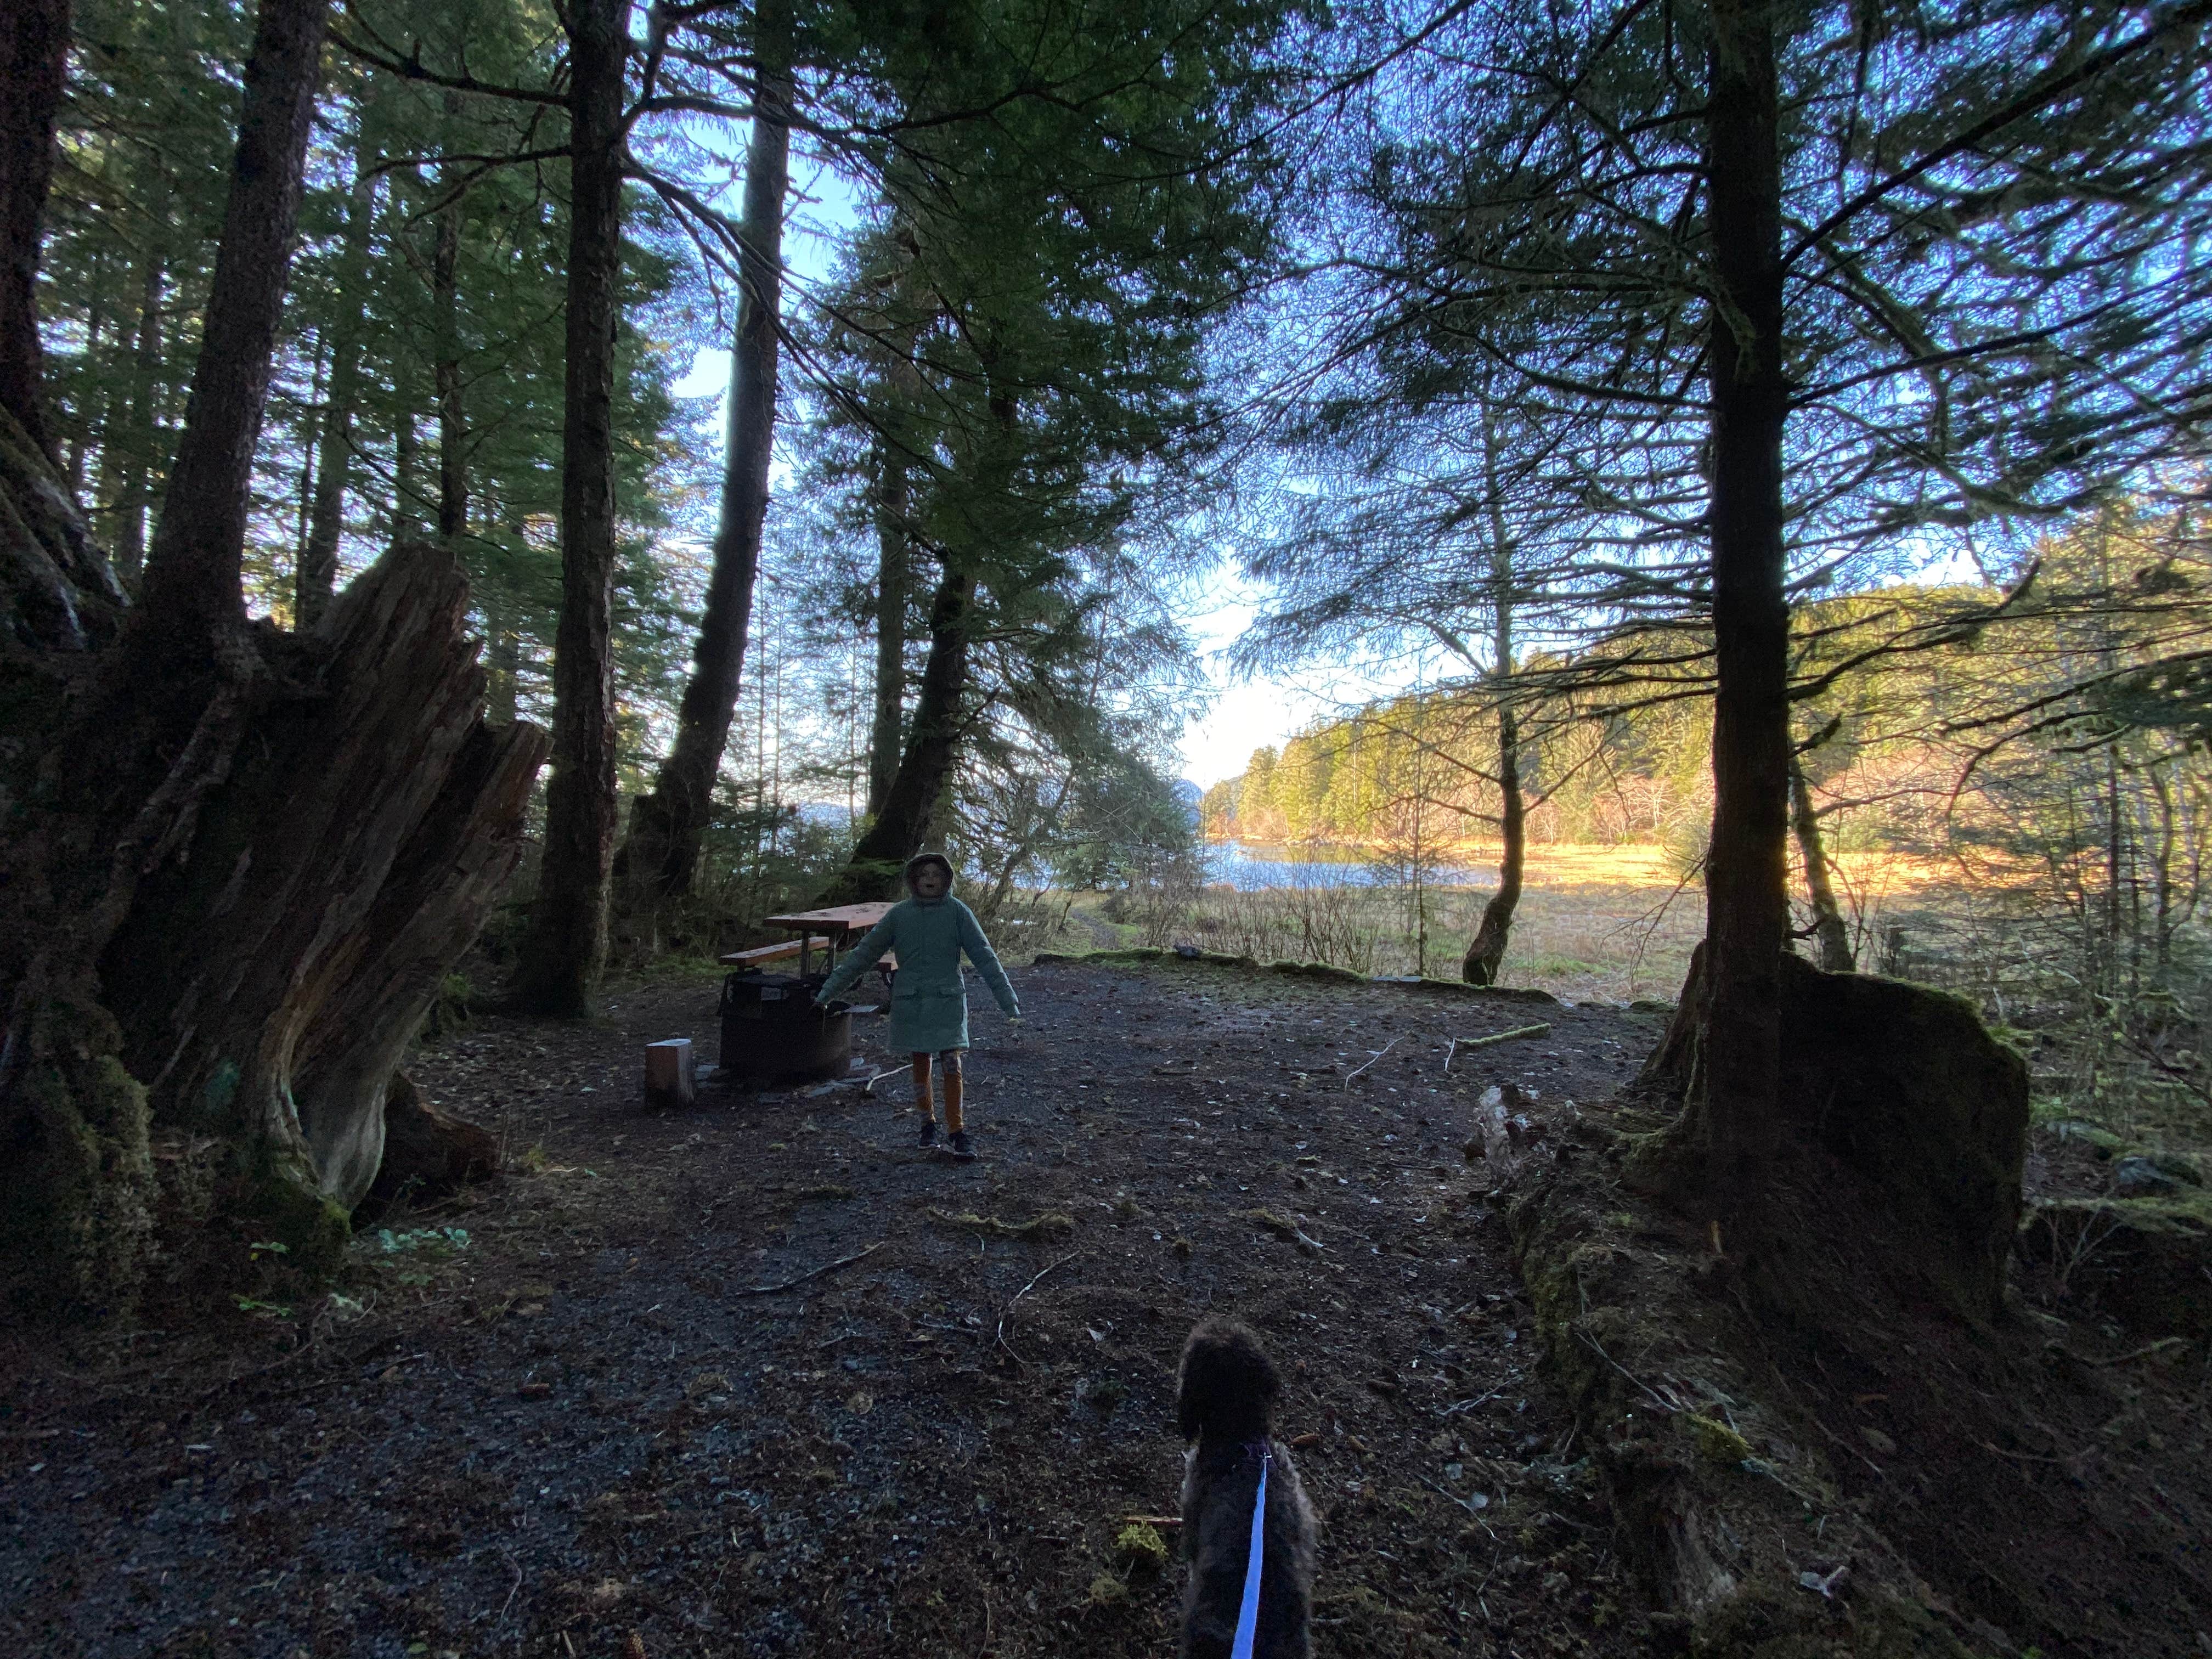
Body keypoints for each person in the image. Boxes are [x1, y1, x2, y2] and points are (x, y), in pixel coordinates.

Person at [813, 852, 1019, 1160]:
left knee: (952, 1063)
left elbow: (984, 955)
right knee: (920, 1062)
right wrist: (827, 992)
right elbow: (863, 955)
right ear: (914, 879)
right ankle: (928, 1126)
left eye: (937, 874)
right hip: (912, 1001)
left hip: (948, 999)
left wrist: (1008, 1001)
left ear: (947, 880)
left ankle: (957, 1131)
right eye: (924, 874)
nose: (930, 879)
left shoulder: (958, 913)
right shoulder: (900, 915)